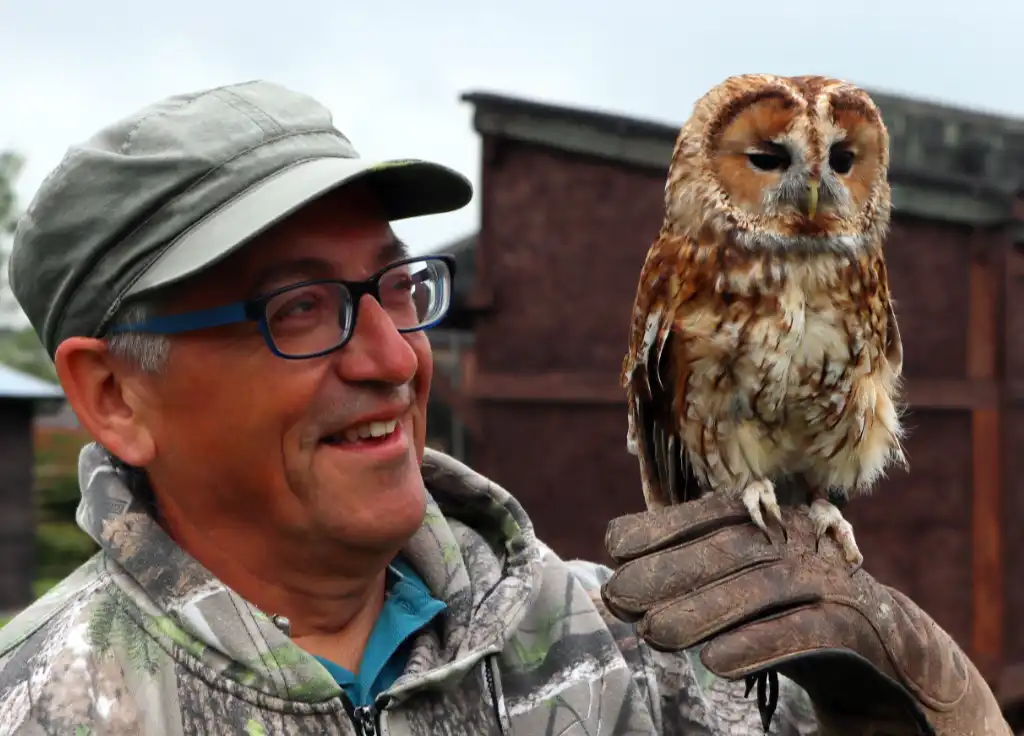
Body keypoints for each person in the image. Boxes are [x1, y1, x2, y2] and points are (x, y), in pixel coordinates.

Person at [0, 80, 1008, 735]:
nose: (394, 357)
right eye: (300, 308)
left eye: (399, 287)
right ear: (114, 395)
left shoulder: (632, 649)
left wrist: (934, 710)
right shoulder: (44, 708)